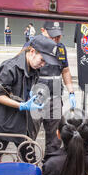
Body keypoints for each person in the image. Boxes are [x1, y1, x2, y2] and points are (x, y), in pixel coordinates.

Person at [0, 34, 63, 165]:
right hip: (2, 124)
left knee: (30, 161)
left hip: (22, 124)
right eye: (42, 60)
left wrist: (36, 100)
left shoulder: (34, 69)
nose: (43, 64)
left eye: (45, 62)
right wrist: (22, 105)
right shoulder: (10, 67)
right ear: (32, 52)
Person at [31, 21, 76, 159]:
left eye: (58, 36)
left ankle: (50, 167)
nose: (56, 39)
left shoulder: (61, 49)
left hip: (55, 97)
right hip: (36, 97)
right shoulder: (33, 46)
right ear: (43, 30)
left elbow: (66, 71)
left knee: (55, 138)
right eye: (53, 36)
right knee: (29, 135)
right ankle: (28, 166)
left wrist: (71, 92)